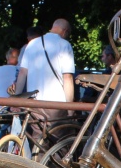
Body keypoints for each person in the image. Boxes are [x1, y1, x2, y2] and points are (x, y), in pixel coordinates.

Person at [15, 19, 76, 147]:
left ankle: (37, 159)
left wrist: (16, 99)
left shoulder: (32, 44)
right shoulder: (64, 45)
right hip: (56, 103)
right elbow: (67, 77)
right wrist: (70, 108)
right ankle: (57, 161)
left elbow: (22, 73)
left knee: (38, 141)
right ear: (65, 31)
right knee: (59, 143)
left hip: (34, 103)